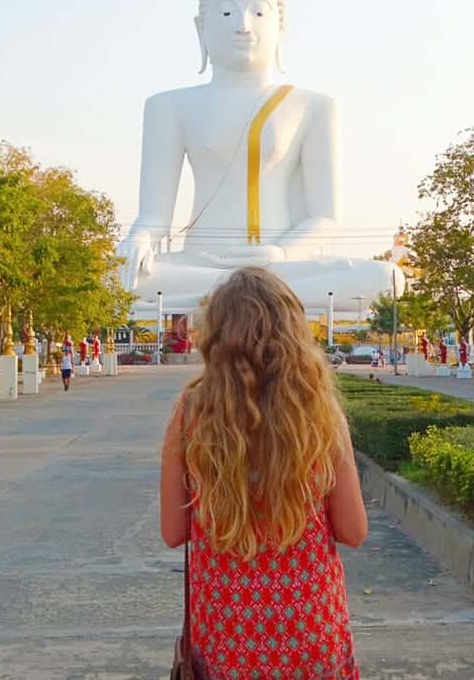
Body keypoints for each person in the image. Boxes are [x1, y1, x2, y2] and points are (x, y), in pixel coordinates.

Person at [160, 267, 366, 679]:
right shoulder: (320, 414)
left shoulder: (192, 413)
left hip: (228, 641)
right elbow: (353, 531)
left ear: (217, 336)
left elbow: (173, 532)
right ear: (293, 332)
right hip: (310, 636)